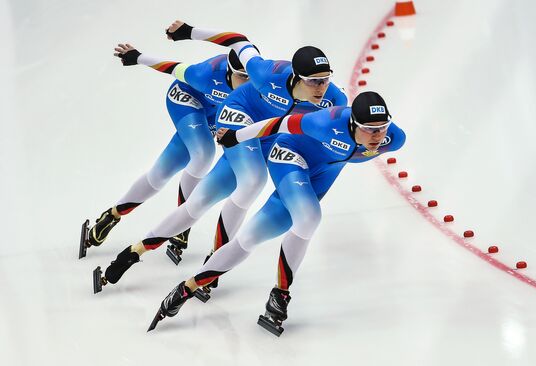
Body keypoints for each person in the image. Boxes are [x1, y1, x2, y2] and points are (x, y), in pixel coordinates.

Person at [92, 21, 347, 293]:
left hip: (265, 135)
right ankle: (211, 259)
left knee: (200, 201)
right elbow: (238, 40)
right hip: (238, 116)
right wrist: (186, 33)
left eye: (325, 79)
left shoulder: (334, 99)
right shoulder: (263, 74)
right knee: (252, 180)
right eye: (314, 81)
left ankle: (134, 252)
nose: (321, 88)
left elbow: (344, 126)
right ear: (297, 77)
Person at [148, 91, 406, 336]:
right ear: (352, 123)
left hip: (322, 175)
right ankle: (281, 294)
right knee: (309, 218)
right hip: (290, 157)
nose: (376, 135)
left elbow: (373, 139)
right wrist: (236, 137)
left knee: (250, 238)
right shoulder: (326, 123)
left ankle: (186, 288)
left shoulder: (394, 138)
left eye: (381, 128)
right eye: (369, 129)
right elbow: (280, 124)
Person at [80, 44, 249, 264]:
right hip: (185, 99)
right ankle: (183, 221)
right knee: (204, 153)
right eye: (242, 77)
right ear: (229, 72)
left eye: (250, 77)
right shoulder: (205, 74)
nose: (248, 83)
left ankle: (112, 214)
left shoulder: (256, 80)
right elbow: (172, 67)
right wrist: (138, 57)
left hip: (213, 112)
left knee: (161, 172)